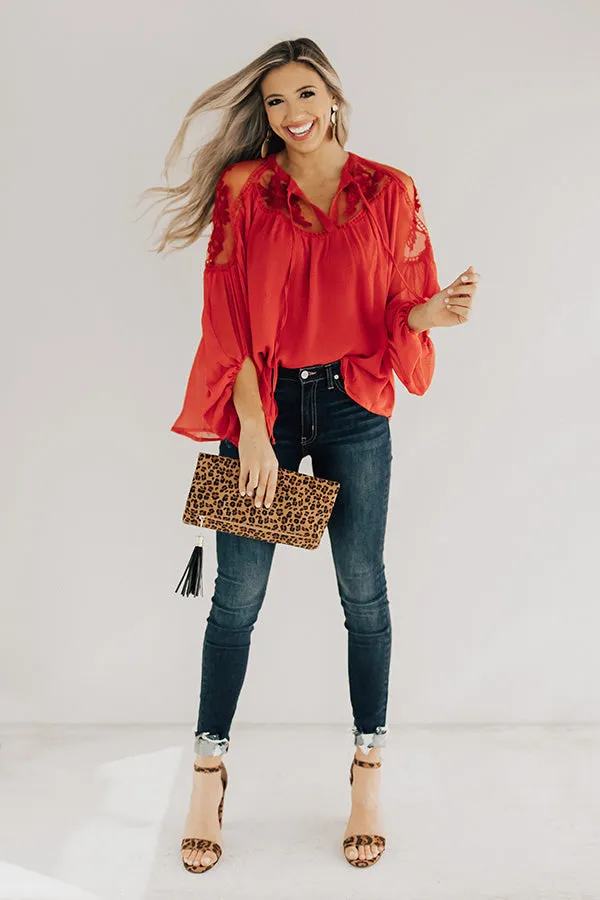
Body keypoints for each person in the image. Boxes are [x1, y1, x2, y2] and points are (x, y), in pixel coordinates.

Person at [141, 36, 480, 874]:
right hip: (264, 408)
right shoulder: (246, 189)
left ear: (331, 95)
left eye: (303, 95)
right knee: (236, 599)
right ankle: (208, 775)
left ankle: (368, 770)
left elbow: (399, 308)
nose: (290, 116)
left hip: (355, 405)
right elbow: (227, 318)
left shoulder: (390, 190)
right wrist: (252, 429)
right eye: (274, 103)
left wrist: (431, 316)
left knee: (363, 591)